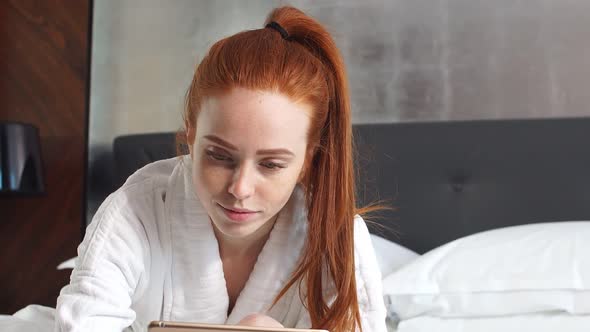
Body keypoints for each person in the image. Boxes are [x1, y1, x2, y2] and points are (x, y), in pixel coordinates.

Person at [55, 6, 386, 332]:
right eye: (219, 156)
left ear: (307, 160)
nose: (240, 188)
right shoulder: (138, 209)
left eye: (271, 164)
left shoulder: (339, 236)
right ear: (191, 134)